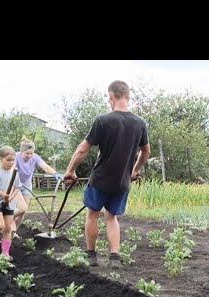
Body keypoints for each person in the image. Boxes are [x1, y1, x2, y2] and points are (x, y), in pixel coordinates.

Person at [63, 80, 150, 268]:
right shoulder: (140, 123)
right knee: (112, 217)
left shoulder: (103, 120)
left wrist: (70, 170)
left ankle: (92, 256)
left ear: (112, 97)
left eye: (109, 99)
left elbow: (82, 150)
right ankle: (114, 257)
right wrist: (134, 171)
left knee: (93, 214)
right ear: (127, 97)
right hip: (122, 183)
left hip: (100, 180)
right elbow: (146, 152)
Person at [12, 136, 64, 237]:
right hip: (15, 185)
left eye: (31, 153)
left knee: (23, 211)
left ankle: (13, 232)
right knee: (18, 209)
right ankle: (7, 224)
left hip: (26, 185)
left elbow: (45, 167)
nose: (30, 155)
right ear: (22, 151)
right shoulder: (15, 157)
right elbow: (11, 170)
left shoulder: (35, 157)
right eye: (27, 153)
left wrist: (55, 173)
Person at [0, 146, 22, 259]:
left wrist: (11, 197)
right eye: (8, 160)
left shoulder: (15, 173)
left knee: (8, 229)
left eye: (13, 160)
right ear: (1, 159)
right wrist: (3, 195)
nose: (11, 162)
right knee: (0, 225)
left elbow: (17, 188)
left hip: (9, 204)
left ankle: (5, 252)